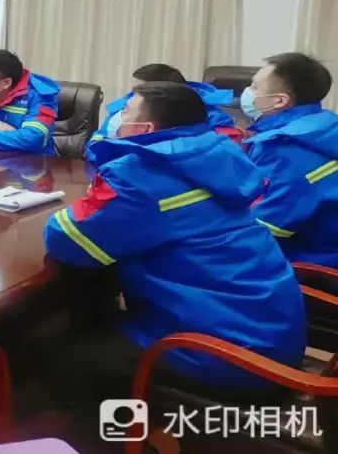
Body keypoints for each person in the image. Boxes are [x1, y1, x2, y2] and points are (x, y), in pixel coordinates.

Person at [44, 82, 305, 405]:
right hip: (269, 332)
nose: (118, 117)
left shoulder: (141, 174)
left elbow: (66, 238)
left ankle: (107, 428)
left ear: (146, 128)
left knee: (64, 355)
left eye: (126, 111)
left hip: (228, 356)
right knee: (96, 303)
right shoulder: (216, 154)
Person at [242, 53, 338, 266]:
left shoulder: (284, 148)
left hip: (313, 260)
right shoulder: (324, 127)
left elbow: (265, 228)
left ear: (279, 100)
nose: (247, 92)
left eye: (255, 86)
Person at [86, 63, 238, 162]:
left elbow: (224, 157)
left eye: (141, 91)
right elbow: (96, 143)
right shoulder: (128, 105)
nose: (131, 97)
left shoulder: (212, 118)